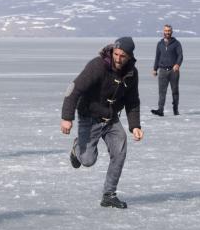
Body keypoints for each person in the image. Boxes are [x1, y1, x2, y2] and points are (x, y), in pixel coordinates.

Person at [61, 37, 144, 208]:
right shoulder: (98, 66)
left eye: (122, 56)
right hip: (89, 117)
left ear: (129, 56)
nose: (118, 59)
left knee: (119, 152)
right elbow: (74, 89)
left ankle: (109, 194)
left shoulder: (131, 73)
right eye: (116, 54)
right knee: (88, 160)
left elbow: (132, 101)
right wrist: (67, 117)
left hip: (111, 119)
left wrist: (135, 126)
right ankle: (77, 148)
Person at [150, 24, 183, 116]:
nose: (167, 32)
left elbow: (180, 55)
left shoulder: (176, 43)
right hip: (162, 71)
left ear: (171, 32)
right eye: (166, 31)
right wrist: (155, 69)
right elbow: (157, 57)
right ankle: (160, 110)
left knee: (175, 91)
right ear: (163, 32)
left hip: (174, 71)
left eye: (169, 31)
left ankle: (175, 110)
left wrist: (177, 64)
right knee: (162, 92)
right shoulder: (160, 44)